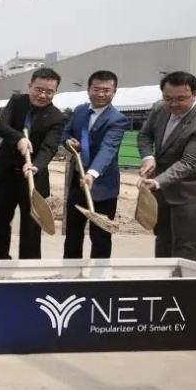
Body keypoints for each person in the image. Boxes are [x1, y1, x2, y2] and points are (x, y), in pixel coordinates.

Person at [138, 71, 196, 261]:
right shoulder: (160, 108)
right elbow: (144, 135)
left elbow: (189, 162)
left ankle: (184, 280)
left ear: (195, 94)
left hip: (190, 188)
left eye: (180, 99)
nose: (173, 104)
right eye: (168, 98)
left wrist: (157, 182)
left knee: (184, 242)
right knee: (162, 236)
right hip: (161, 185)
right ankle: (163, 276)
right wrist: (148, 158)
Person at [0, 68, 65, 260]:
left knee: (32, 226)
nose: (43, 95)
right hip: (6, 173)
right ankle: (1, 262)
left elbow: (49, 147)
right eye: (39, 89)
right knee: (1, 222)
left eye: (49, 92)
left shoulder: (57, 117)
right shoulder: (17, 102)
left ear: (55, 92)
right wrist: (19, 139)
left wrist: (36, 165)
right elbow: (2, 126)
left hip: (33, 177)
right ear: (30, 86)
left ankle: (29, 266)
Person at [61, 70, 130, 259]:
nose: (101, 94)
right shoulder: (80, 111)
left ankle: (99, 275)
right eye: (96, 89)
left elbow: (108, 149)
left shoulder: (117, 119)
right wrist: (68, 142)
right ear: (88, 89)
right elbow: (66, 134)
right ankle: (70, 272)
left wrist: (92, 173)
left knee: (100, 237)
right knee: (73, 235)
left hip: (103, 186)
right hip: (77, 182)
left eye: (106, 90)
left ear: (114, 92)